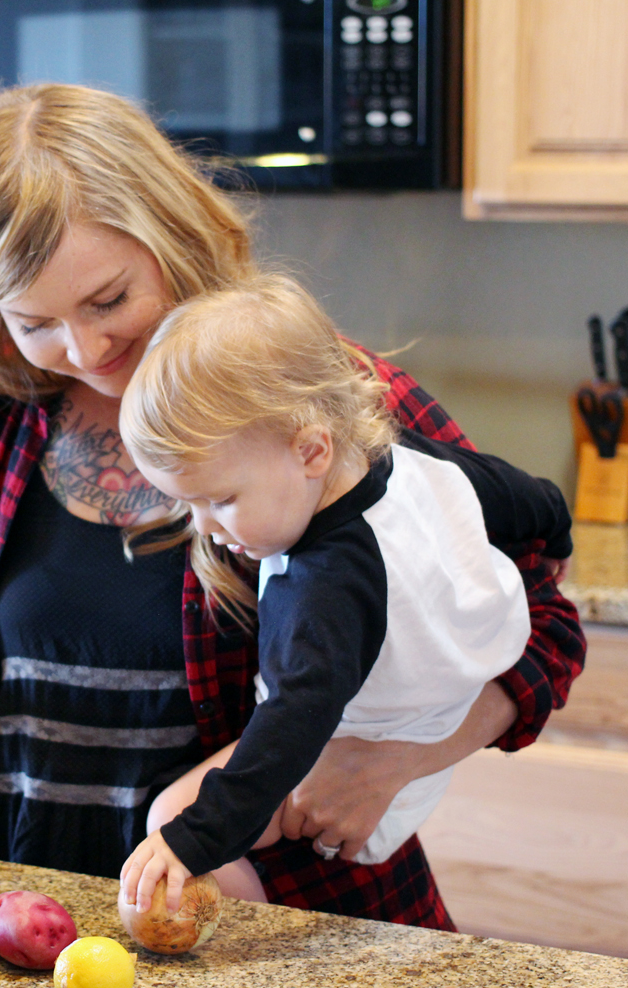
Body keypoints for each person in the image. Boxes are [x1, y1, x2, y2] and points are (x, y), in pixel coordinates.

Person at [0, 83, 584, 930]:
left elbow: (547, 627)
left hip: (279, 911)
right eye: (34, 322)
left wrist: (388, 761)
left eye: (108, 301)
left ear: (173, 235)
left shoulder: (311, 403)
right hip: (25, 888)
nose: (85, 350)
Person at [115, 276, 573, 915]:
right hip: (444, 701)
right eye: (185, 503)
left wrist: (193, 840)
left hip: (370, 744)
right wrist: (557, 538)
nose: (204, 529)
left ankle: (234, 953)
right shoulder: (410, 458)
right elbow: (525, 495)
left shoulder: (324, 587)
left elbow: (293, 726)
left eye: (219, 500)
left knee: (171, 813)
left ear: (310, 450)